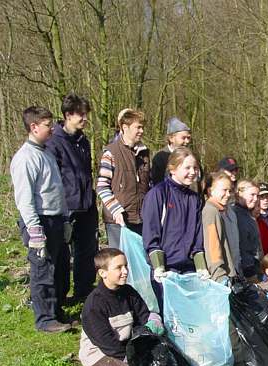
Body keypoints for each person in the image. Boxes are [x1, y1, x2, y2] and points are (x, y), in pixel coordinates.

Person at [10, 106, 72, 333]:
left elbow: (57, 190)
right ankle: (45, 320)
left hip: (56, 221)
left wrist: (65, 219)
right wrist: (35, 231)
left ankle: (57, 313)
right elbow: (24, 199)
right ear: (34, 127)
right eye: (48, 125)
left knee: (61, 270)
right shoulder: (25, 158)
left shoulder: (47, 153)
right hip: (39, 222)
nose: (53, 128)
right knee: (43, 271)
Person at [79, 248, 164, 366]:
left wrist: (154, 322)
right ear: (102, 273)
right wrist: (133, 362)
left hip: (126, 346)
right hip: (101, 352)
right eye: (118, 268)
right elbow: (106, 343)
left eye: (125, 266)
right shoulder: (94, 304)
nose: (125, 271)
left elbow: (143, 317)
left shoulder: (129, 292)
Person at [46, 93, 98, 302]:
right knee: (61, 255)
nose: (85, 119)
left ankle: (84, 292)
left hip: (86, 205)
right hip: (66, 207)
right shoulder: (54, 142)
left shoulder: (83, 141)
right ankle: (58, 297)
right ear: (68, 115)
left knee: (87, 252)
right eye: (81, 115)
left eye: (86, 115)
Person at [142, 148, 208, 307]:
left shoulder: (195, 199)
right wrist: (158, 267)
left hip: (188, 270)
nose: (192, 172)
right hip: (165, 271)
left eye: (195, 168)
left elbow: (198, 236)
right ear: (172, 168)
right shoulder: (157, 194)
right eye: (187, 168)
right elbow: (151, 234)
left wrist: (201, 268)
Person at [97, 109, 150, 249]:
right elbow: (102, 186)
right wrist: (116, 210)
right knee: (119, 264)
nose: (142, 131)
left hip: (141, 219)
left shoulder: (145, 153)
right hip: (118, 221)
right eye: (138, 127)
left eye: (143, 127)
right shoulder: (110, 153)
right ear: (125, 127)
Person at [202, 171, 236, 283]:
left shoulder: (221, 211)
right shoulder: (211, 212)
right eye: (224, 190)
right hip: (220, 277)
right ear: (210, 190)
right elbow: (213, 246)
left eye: (229, 191)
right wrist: (220, 276)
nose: (228, 194)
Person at [232, 180, 263, 280]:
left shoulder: (248, 214)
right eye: (252, 195)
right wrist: (250, 272)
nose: (255, 199)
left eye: (257, 196)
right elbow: (243, 246)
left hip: (255, 267)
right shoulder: (238, 216)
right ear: (239, 194)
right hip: (248, 272)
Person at [151, 117, 192, 186]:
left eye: (188, 138)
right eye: (183, 138)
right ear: (171, 138)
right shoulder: (160, 158)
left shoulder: (191, 157)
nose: (187, 141)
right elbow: (158, 185)